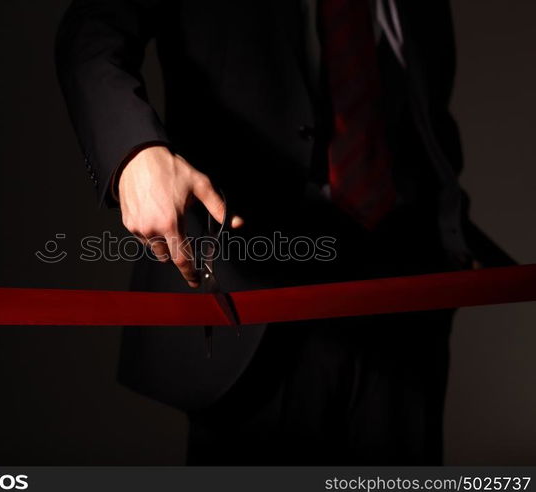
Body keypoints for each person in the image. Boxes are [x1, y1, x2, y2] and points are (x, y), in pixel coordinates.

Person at [55, 0, 505, 464]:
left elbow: (422, 106)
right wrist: (133, 154)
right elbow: (89, 34)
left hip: (405, 304)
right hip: (256, 303)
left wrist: (449, 225)